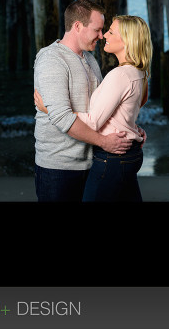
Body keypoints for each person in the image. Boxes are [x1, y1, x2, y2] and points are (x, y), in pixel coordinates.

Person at [38, 15, 151, 202]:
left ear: (127, 41)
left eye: (111, 32)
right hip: (131, 153)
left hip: (112, 158)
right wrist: (128, 127)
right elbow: (134, 105)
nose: (104, 34)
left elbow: (93, 121)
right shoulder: (140, 72)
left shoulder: (120, 75)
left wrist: (48, 109)